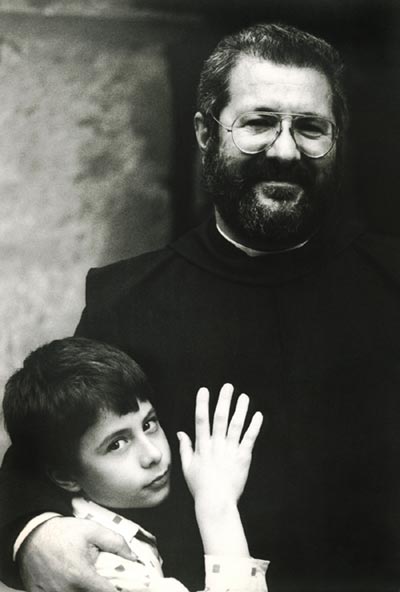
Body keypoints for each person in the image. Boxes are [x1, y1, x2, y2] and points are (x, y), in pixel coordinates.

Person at [1, 21, 400, 592]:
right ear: (206, 133)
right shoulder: (125, 300)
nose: (285, 150)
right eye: (259, 123)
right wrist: (33, 533)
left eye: (311, 128)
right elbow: (43, 457)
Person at [2, 337, 267, 592]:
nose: (153, 454)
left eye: (148, 424)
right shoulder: (106, 566)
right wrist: (217, 506)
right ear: (64, 477)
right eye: (117, 444)